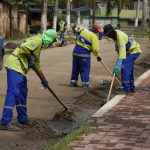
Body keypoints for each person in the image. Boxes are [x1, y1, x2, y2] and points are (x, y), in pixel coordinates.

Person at [0, 29, 58, 131]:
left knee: (22, 93)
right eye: (53, 41)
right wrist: (30, 59)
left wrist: (43, 79)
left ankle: (23, 119)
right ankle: (5, 122)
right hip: (14, 66)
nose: (52, 43)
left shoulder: (38, 45)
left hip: (20, 69)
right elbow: (23, 47)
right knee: (13, 92)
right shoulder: (38, 40)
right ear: (50, 39)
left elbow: (37, 66)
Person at [103, 24, 141, 93]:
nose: (108, 36)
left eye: (108, 34)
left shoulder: (120, 38)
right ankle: (131, 87)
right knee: (128, 68)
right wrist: (118, 64)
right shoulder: (115, 35)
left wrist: (117, 68)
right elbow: (119, 53)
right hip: (129, 51)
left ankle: (126, 89)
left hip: (133, 51)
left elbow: (122, 56)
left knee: (125, 68)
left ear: (112, 32)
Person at [70, 24, 103, 88]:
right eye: (99, 31)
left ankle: (73, 82)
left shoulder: (84, 30)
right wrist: (98, 56)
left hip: (75, 52)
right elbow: (95, 49)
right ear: (96, 30)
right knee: (85, 69)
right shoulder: (94, 36)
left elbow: (76, 29)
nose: (99, 32)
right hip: (84, 54)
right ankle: (85, 84)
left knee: (75, 68)